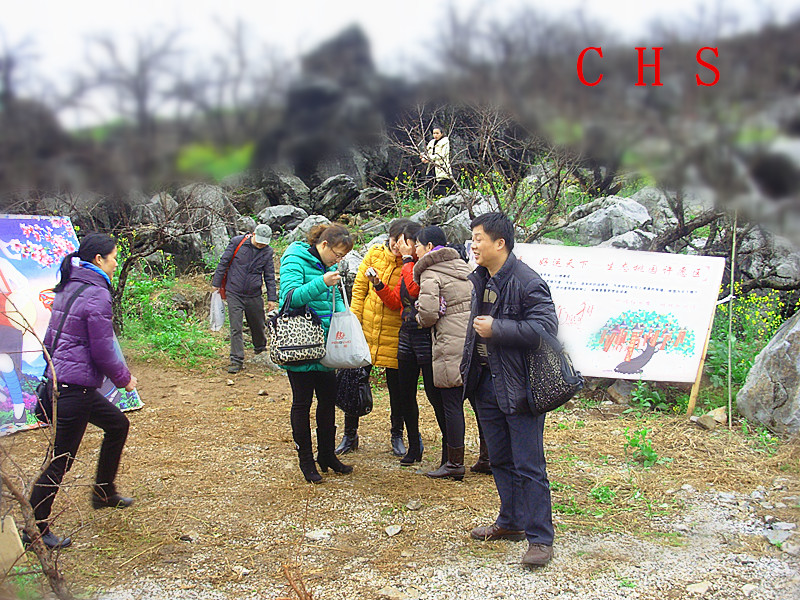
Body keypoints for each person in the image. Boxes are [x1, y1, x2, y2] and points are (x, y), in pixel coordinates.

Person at [27, 233, 138, 550]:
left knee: (118, 424)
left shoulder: (70, 285)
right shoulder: (96, 294)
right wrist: (124, 379)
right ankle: (35, 529)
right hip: (74, 387)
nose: (117, 261)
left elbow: (51, 338)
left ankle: (104, 492)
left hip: (69, 383)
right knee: (61, 459)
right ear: (99, 259)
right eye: (114, 256)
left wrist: (51, 373)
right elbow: (103, 349)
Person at [461, 212, 558, 567]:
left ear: (499, 243)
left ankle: (540, 539)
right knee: (499, 458)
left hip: (519, 386)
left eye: (478, 238)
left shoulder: (527, 281)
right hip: (485, 383)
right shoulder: (480, 277)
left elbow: (546, 329)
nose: (473, 245)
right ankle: (511, 522)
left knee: (529, 464)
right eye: (472, 238)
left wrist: (498, 328)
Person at [278, 223, 355, 483]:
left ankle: (327, 455)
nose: (339, 259)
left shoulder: (329, 266)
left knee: (327, 402)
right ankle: (306, 461)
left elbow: (336, 300)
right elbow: (289, 299)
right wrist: (322, 282)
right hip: (300, 344)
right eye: (338, 253)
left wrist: (346, 316)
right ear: (323, 245)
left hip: (326, 345)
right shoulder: (294, 259)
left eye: (342, 256)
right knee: (302, 403)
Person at [369, 221, 443, 467]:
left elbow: (413, 291)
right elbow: (398, 301)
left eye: (405, 242)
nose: (399, 246)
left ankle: (450, 448)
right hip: (406, 334)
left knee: (435, 394)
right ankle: (413, 446)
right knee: (405, 392)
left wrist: (409, 260)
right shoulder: (407, 265)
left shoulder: (426, 266)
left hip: (425, 335)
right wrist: (379, 285)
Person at [335, 218, 411, 457]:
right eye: (394, 240)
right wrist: (354, 322)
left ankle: (397, 434)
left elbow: (400, 300)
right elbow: (358, 289)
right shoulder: (374, 254)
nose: (397, 246)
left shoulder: (410, 265)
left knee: (396, 388)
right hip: (366, 330)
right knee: (353, 381)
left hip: (394, 333)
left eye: (402, 241)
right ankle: (350, 434)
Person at [412, 226, 475, 481]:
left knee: (451, 405)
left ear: (428, 248)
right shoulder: (465, 267)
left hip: (449, 343)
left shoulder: (431, 272)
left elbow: (428, 314)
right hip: (471, 342)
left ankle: (454, 463)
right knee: (478, 404)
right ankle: (487, 456)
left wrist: (416, 316)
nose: (415, 249)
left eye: (417, 245)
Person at [212, 224, 277, 374]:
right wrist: (216, 283)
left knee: (258, 324)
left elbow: (269, 275)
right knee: (236, 327)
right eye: (259, 241)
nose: (261, 245)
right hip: (234, 291)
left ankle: (260, 349)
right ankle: (236, 359)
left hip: (254, 294)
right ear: (253, 234)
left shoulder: (267, 252)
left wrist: (271, 298)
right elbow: (224, 262)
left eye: (264, 243)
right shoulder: (237, 243)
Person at [421, 126, 454, 198]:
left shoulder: (445, 142)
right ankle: (429, 202)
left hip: (441, 167)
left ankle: (444, 201)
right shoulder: (431, 142)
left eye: (437, 133)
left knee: (442, 185)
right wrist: (423, 157)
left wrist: (429, 158)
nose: (435, 135)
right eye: (434, 133)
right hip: (432, 167)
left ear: (441, 133)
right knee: (428, 184)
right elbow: (427, 152)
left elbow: (442, 155)